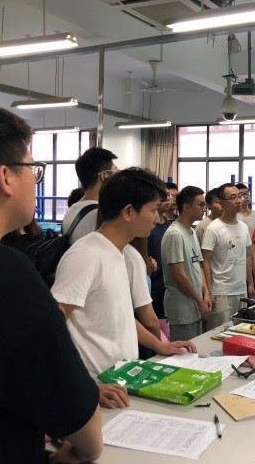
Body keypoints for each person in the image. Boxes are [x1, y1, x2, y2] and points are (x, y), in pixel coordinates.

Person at [0, 101, 102, 463]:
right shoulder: (3, 272)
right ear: (5, 178)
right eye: (33, 169)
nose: (35, 182)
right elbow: (87, 435)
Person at [51, 168, 196, 394]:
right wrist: (87, 387)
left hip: (123, 380)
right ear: (129, 212)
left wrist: (161, 345)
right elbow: (53, 327)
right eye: (153, 210)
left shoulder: (124, 254)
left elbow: (123, 316)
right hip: (97, 386)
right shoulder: (86, 255)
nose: (157, 219)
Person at [201, 183, 255, 330]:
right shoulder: (213, 229)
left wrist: (250, 283)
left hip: (241, 290)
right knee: (219, 333)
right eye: (233, 197)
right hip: (221, 292)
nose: (238, 201)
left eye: (239, 196)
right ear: (222, 203)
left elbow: (248, 256)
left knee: (240, 331)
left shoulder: (243, 227)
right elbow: (205, 262)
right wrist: (208, 292)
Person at [162, 185, 213, 341]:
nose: (204, 209)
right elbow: (178, 274)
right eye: (200, 204)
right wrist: (199, 300)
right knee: (184, 351)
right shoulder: (175, 234)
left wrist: (206, 293)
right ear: (186, 207)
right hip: (181, 308)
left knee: (195, 349)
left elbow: (198, 265)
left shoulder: (191, 231)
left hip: (195, 304)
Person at [62, 147, 118, 245]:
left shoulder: (70, 211)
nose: (118, 178)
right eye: (116, 172)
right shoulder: (99, 215)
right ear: (104, 175)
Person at [147, 188, 173, 318]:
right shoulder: (146, 227)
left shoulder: (170, 225)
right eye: (164, 195)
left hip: (167, 283)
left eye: (169, 195)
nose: (168, 198)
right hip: (153, 284)